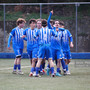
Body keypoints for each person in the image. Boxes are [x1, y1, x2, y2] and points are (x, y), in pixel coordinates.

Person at [47, 10, 64, 77]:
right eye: (55, 23)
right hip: (52, 48)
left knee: (59, 60)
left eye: (58, 23)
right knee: (52, 60)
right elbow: (48, 22)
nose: (57, 24)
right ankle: (48, 69)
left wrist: (59, 29)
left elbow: (64, 30)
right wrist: (50, 14)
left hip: (58, 48)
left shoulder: (61, 30)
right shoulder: (51, 29)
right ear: (53, 25)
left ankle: (57, 72)